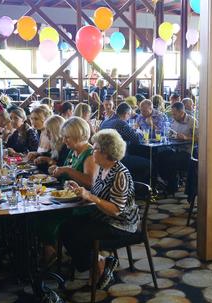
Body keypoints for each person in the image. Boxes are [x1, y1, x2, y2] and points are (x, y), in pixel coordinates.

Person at [61, 129, 140, 287]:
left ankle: (99, 264)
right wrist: (80, 189)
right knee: (66, 227)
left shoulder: (120, 174)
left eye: (95, 148)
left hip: (121, 223)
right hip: (102, 217)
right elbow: (97, 194)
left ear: (106, 152)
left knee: (80, 236)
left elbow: (116, 210)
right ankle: (98, 262)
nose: (92, 150)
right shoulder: (103, 168)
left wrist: (90, 197)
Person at [35, 117, 99, 264]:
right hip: (67, 200)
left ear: (78, 135)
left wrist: (67, 170)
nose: (64, 140)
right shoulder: (73, 151)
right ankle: (50, 251)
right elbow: (65, 172)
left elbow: (90, 183)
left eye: (67, 137)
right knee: (38, 214)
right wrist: (57, 169)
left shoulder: (89, 154)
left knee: (46, 218)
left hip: (82, 205)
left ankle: (52, 254)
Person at [158, 102, 198, 194]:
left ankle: (172, 187)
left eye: (174, 114)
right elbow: (171, 134)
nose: (172, 116)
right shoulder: (174, 121)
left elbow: (199, 138)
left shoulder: (192, 121)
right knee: (159, 156)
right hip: (175, 149)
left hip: (188, 152)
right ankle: (165, 182)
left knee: (170, 160)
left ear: (181, 112)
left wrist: (186, 137)